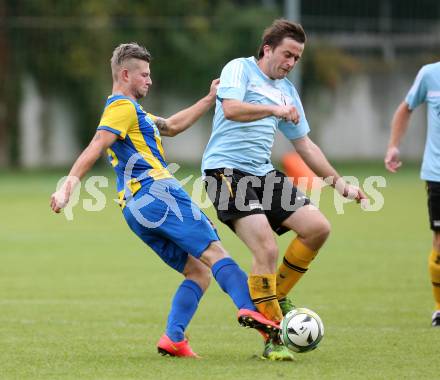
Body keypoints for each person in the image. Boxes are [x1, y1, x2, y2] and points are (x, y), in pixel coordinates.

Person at [50, 42, 280, 358]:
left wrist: (210, 99)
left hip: (135, 210)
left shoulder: (134, 113)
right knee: (215, 252)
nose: (150, 80)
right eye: (144, 75)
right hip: (159, 194)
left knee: (198, 271)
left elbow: (171, 126)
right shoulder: (122, 108)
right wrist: (67, 187)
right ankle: (251, 309)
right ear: (125, 74)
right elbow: (96, 145)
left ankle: (174, 338)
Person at [201, 19, 367, 360]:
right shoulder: (240, 70)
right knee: (266, 246)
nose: (291, 63)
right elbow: (230, 109)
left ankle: (272, 296)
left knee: (317, 228)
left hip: (262, 174)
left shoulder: (288, 91)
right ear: (267, 49)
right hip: (225, 172)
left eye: (297, 58)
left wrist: (341, 184)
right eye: (287, 55)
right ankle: (273, 337)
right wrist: (273, 110)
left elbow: (305, 145)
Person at [384, 62, 440, 327]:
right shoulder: (430, 75)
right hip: (437, 173)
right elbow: (406, 108)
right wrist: (394, 145)